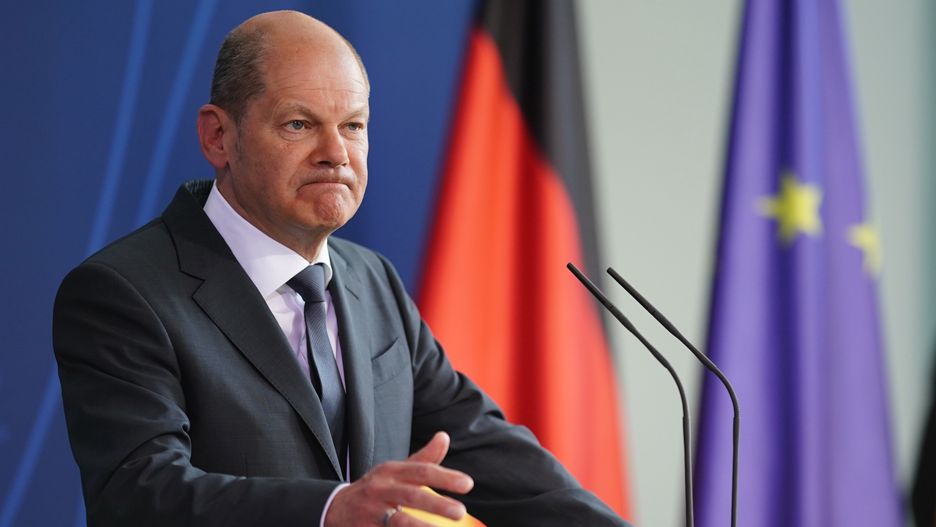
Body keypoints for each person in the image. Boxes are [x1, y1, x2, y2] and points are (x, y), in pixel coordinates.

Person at [52, 10, 632, 527]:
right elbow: (137, 494)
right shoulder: (125, 292)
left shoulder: (370, 279)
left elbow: (474, 443)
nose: (337, 152)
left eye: (353, 125)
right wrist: (329, 511)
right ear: (218, 136)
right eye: (299, 124)